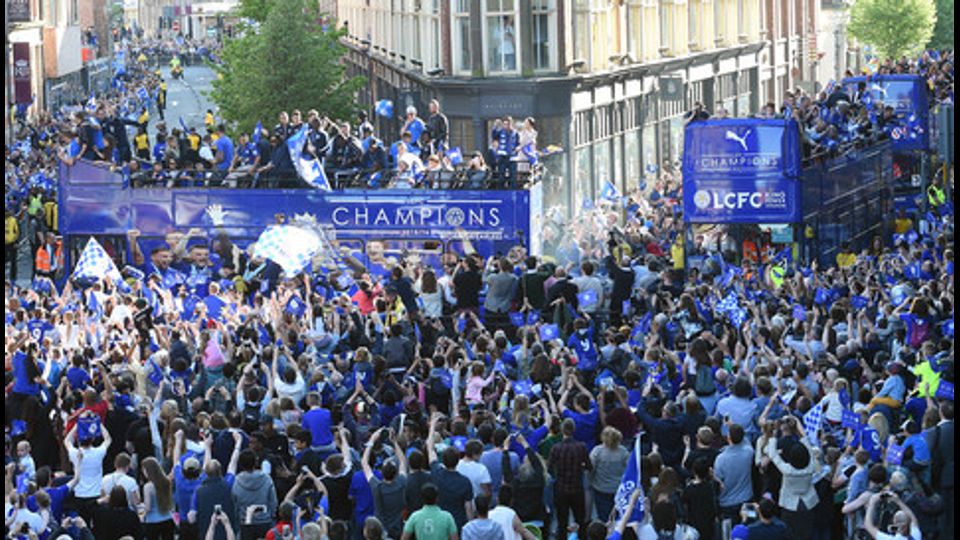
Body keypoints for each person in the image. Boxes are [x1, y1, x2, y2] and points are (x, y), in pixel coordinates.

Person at [548, 418, 591, 533]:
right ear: (574, 430)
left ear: (562, 430)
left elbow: (549, 468)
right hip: (577, 489)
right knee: (580, 521)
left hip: (561, 489)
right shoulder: (581, 447)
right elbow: (589, 467)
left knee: (562, 523)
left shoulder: (556, 448)